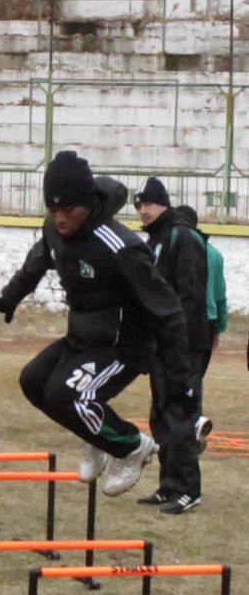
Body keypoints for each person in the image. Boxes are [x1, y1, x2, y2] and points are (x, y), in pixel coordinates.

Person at [0, 151, 193, 499]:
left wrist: (179, 376)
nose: (61, 219)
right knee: (34, 382)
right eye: (54, 211)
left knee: (68, 395)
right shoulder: (54, 229)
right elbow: (37, 261)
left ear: (85, 203)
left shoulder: (121, 247)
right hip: (82, 337)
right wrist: (10, 296)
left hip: (123, 346)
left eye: (68, 210)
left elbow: (167, 310)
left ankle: (132, 447)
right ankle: (97, 437)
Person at [135, 178, 210, 513]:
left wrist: (179, 343)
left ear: (162, 204)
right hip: (161, 344)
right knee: (161, 414)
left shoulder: (183, 236)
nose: (143, 210)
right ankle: (168, 486)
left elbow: (189, 295)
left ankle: (188, 489)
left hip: (184, 345)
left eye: (148, 204)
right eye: (138, 205)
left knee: (181, 413)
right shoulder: (155, 241)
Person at [175, 204, 228, 452]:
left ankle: (190, 427)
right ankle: (191, 424)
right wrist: (219, 327)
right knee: (195, 376)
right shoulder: (214, 253)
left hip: (186, 320)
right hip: (207, 321)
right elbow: (219, 295)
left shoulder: (176, 247)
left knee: (183, 379)